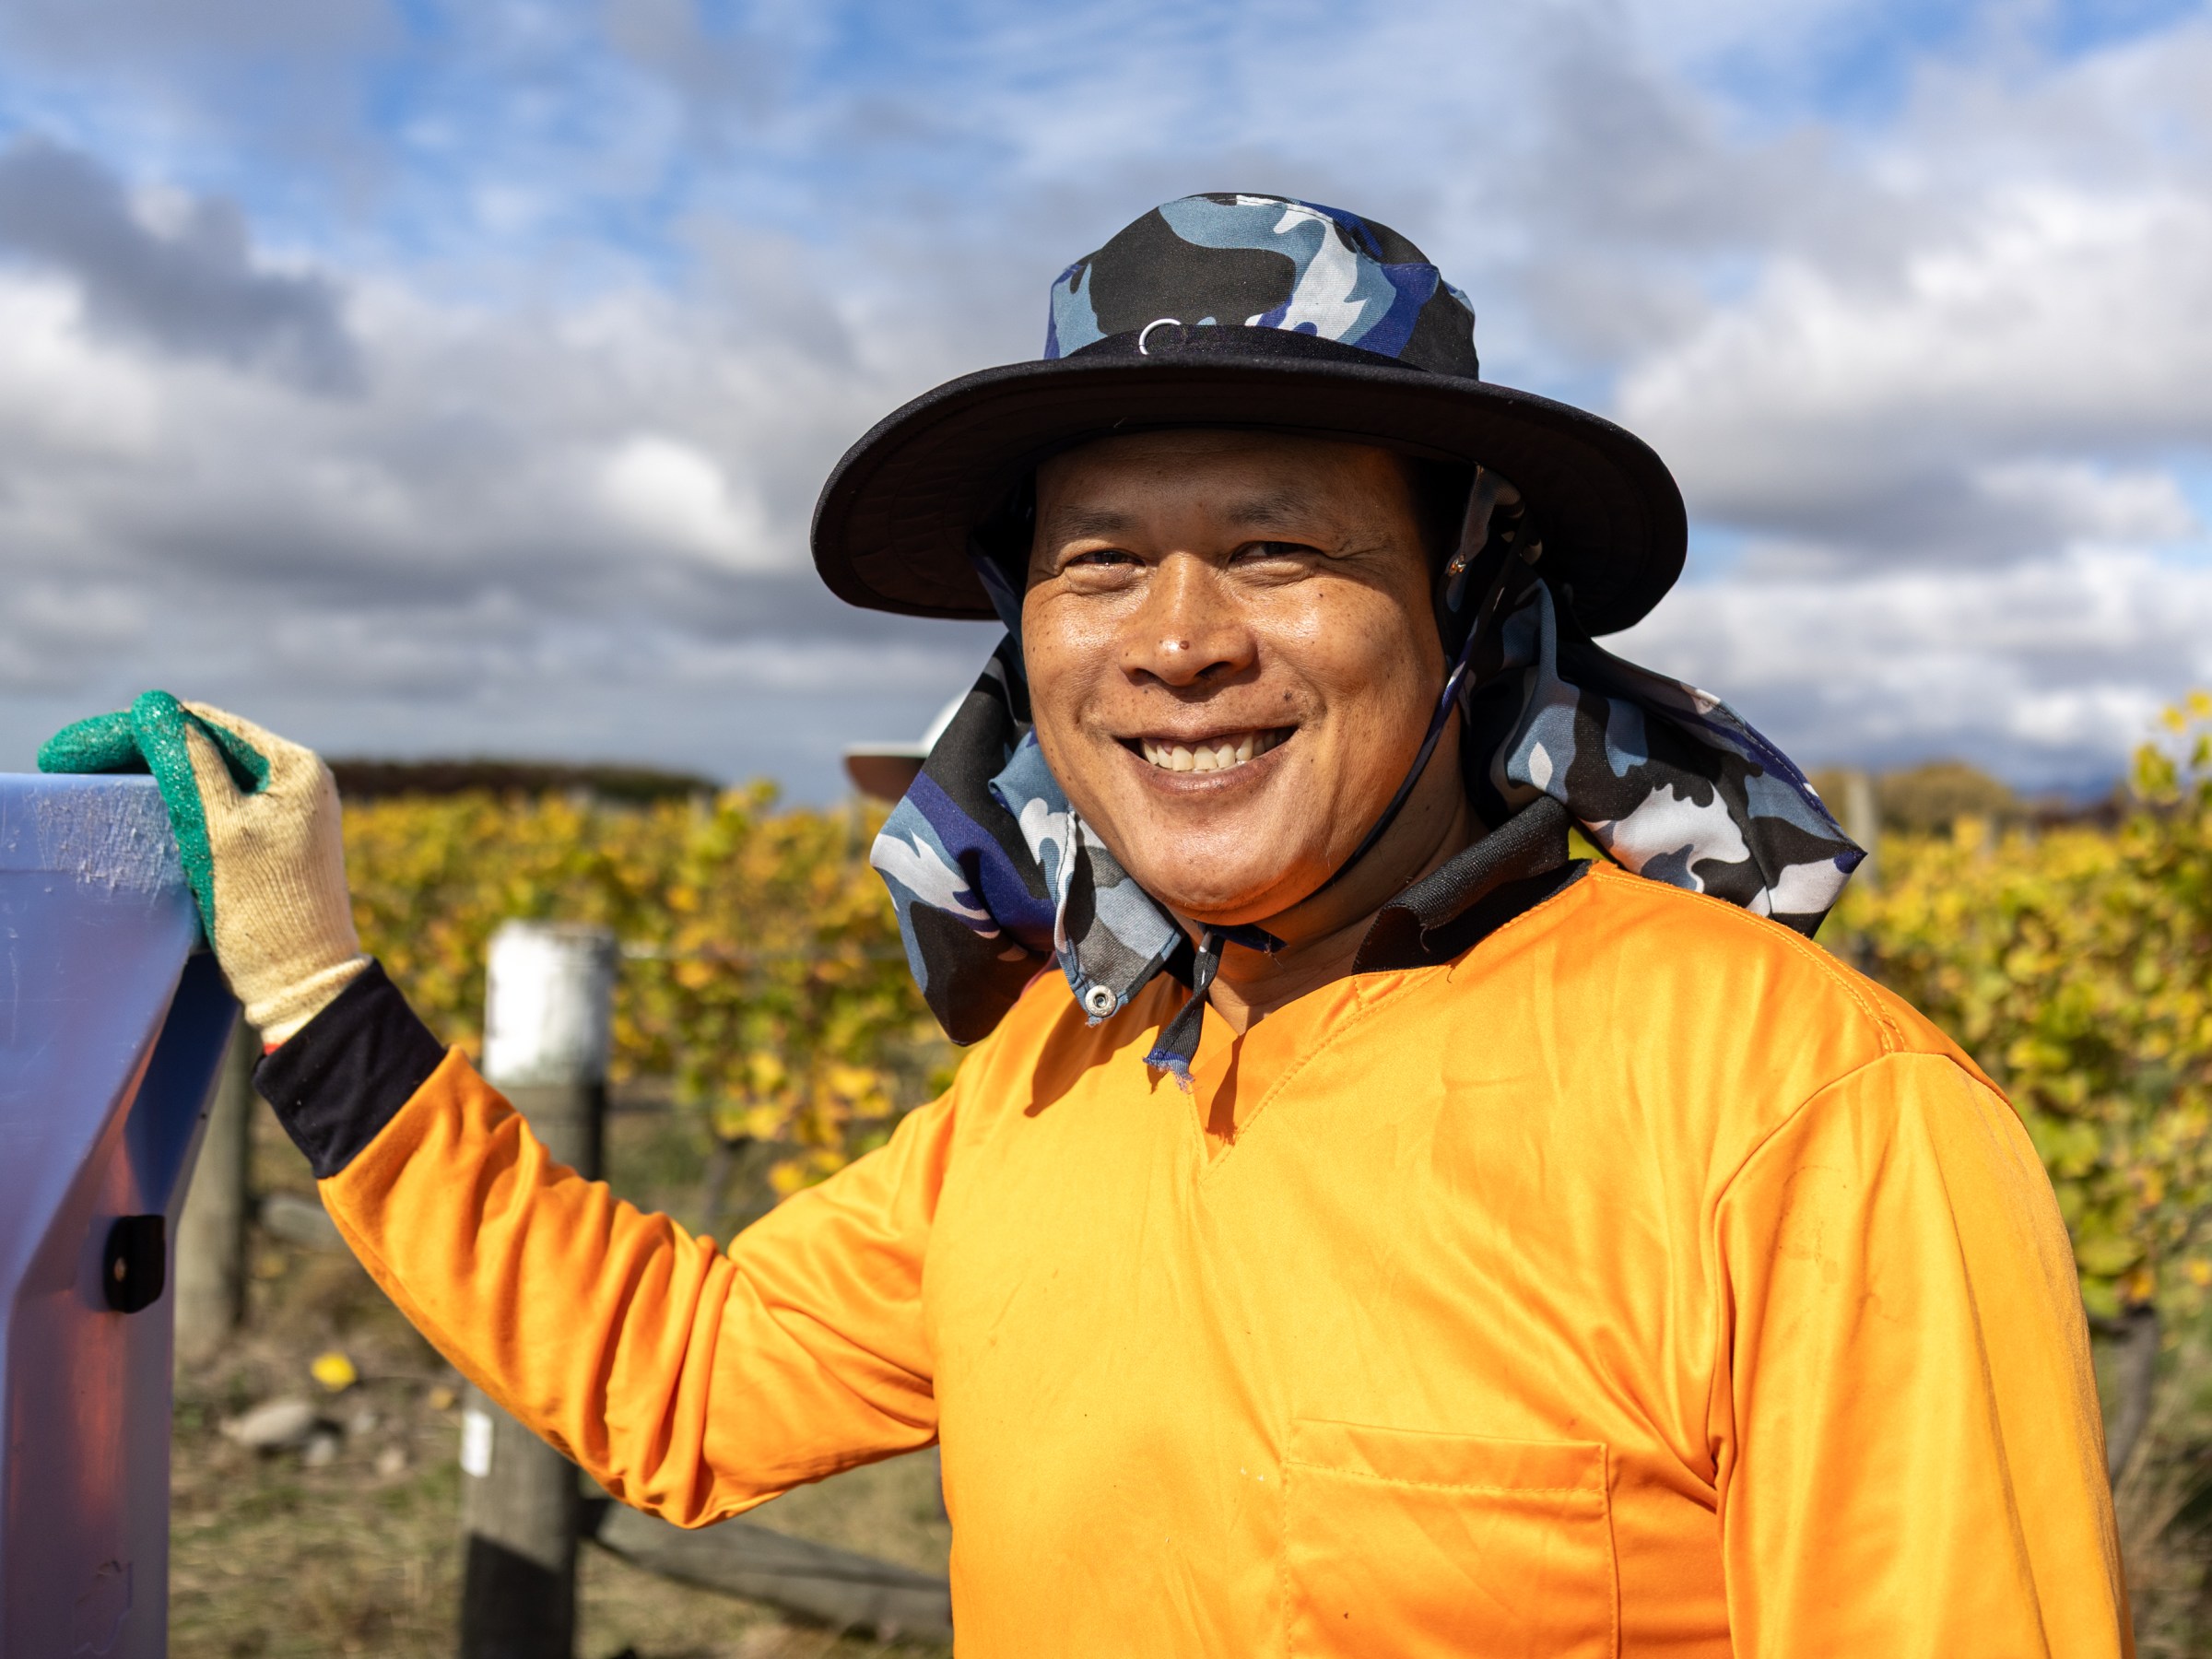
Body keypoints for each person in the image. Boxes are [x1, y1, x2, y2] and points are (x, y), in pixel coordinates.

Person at [46, 194, 2127, 1655]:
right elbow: (678, 1383)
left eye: (1283, 549)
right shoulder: (1057, 1069)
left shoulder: (1810, 1119)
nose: (1181, 644)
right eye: (1100, 563)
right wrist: (320, 991)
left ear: (1475, 608)